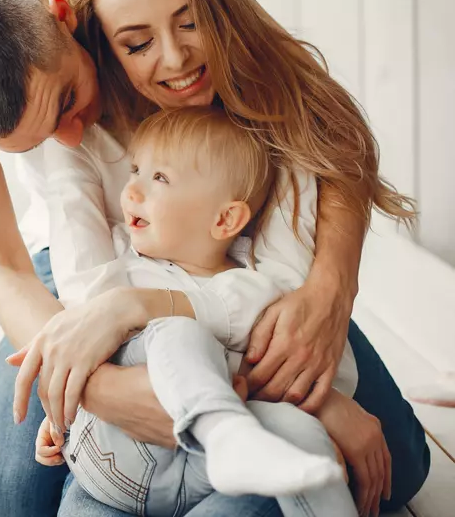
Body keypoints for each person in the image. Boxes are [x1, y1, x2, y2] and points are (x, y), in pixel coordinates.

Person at [0, 0, 429, 516]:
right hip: (83, 258)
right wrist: (101, 390)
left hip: (214, 247)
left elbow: (311, 116)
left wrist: (329, 288)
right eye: (44, 138)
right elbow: (4, 267)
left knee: (393, 464)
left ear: (68, 19)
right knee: (7, 498)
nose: (72, 138)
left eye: (70, 100)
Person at [31, 106, 360, 517]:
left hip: (203, 470)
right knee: (176, 331)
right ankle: (226, 434)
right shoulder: (122, 271)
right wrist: (62, 414)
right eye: (135, 170)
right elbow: (82, 349)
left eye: (159, 178)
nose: (131, 190)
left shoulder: (253, 287)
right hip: (120, 460)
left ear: (225, 219)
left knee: (307, 439)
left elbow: (306, 369)